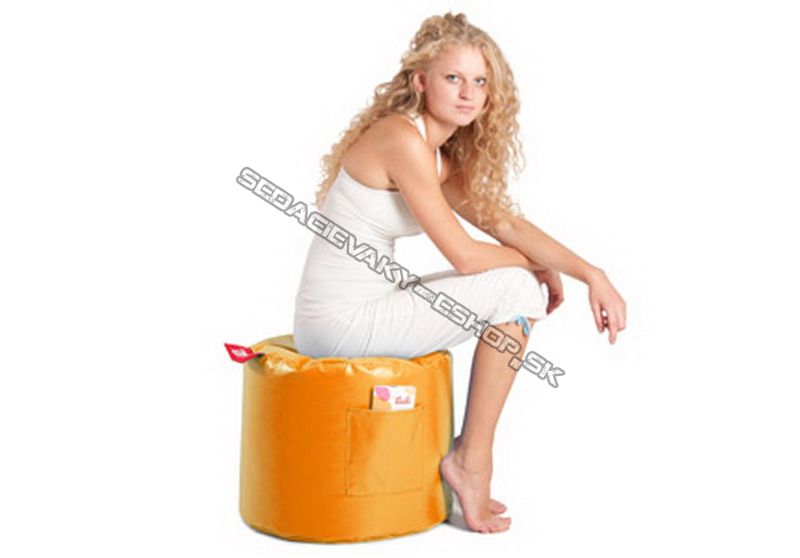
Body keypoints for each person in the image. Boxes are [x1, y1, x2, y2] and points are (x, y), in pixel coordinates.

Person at [293, 12, 626, 534]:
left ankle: (471, 459)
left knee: (519, 282)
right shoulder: (400, 140)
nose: (469, 93)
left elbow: (503, 223)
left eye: (480, 81)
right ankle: (472, 462)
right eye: (453, 78)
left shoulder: (433, 154)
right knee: (518, 289)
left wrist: (591, 273)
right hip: (341, 325)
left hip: (361, 311)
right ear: (420, 81)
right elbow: (466, 257)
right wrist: (537, 266)